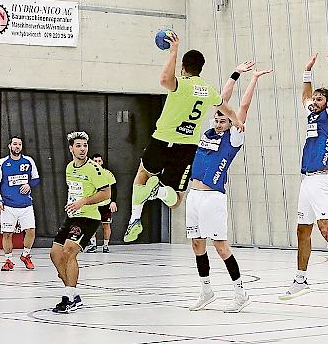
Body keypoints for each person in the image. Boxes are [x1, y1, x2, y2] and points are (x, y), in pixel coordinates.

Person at [124, 32, 242, 242]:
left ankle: (135, 219)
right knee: (176, 199)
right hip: (187, 147)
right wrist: (238, 121)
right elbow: (227, 109)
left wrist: (173, 51)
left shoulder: (182, 84)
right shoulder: (208, 89)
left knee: (142, 175)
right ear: (201, 68)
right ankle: (160, 191)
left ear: (183, 67)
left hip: (162, 139)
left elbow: (164, 79)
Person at [188, 67, 272, 313]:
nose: (217, 121)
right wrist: (234, 73)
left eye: (222, 119)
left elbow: (240, 108)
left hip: (213, 196)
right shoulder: (207, 133)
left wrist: (252, 79)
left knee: (220, 246)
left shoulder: (234, 137)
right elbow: (221, 101)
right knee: (197, 244)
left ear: (230, 122)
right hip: (194, 195)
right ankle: (206, 290)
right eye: (216, 118)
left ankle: (240, 292)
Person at [279, 46, 328, 300]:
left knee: (325, 228)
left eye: (319, 99)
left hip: (324, 179)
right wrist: (307, 71)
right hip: (307, 180)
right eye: (314, 99)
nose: (314, 101)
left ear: (327, 104)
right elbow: (304, 96)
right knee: (303, 230)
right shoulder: (311, 115)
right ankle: (301, 279)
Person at [50, 132, 111, 313]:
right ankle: (73, 293)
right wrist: (72, 203)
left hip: (88, 217)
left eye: (84, 145)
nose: (82, 149)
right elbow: (74, 190)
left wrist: (83, 201)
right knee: (55, 254)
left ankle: (69, 297)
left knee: (69, 251)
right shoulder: (69, 168)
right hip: (73, 215)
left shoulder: (95, 169)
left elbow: (106, 194)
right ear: (71, 148)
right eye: (78, 145)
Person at [0, 136, 39, 271]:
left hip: (26, 205)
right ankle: (8, 261)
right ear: (10, 146)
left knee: (31, 231)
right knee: (7, 234)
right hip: (8, 206)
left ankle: (26, 255)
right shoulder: (2, 162)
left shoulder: (29, 161)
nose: (17, 146)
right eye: (14, 144)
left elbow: (36, 179)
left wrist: (29, 185)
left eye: (19, 144)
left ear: (21, 147)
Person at [85, 153, 117, 253]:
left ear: (102, 162)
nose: (97, 163)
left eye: (99, 161)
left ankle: (106, 245)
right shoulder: (89, 174)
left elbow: (114, 188)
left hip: (106, 205)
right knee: (92, 225)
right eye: (95, 161)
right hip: (94, 205)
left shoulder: (107, 174)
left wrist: (113, 202)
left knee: (106, 225)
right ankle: (93, 245)